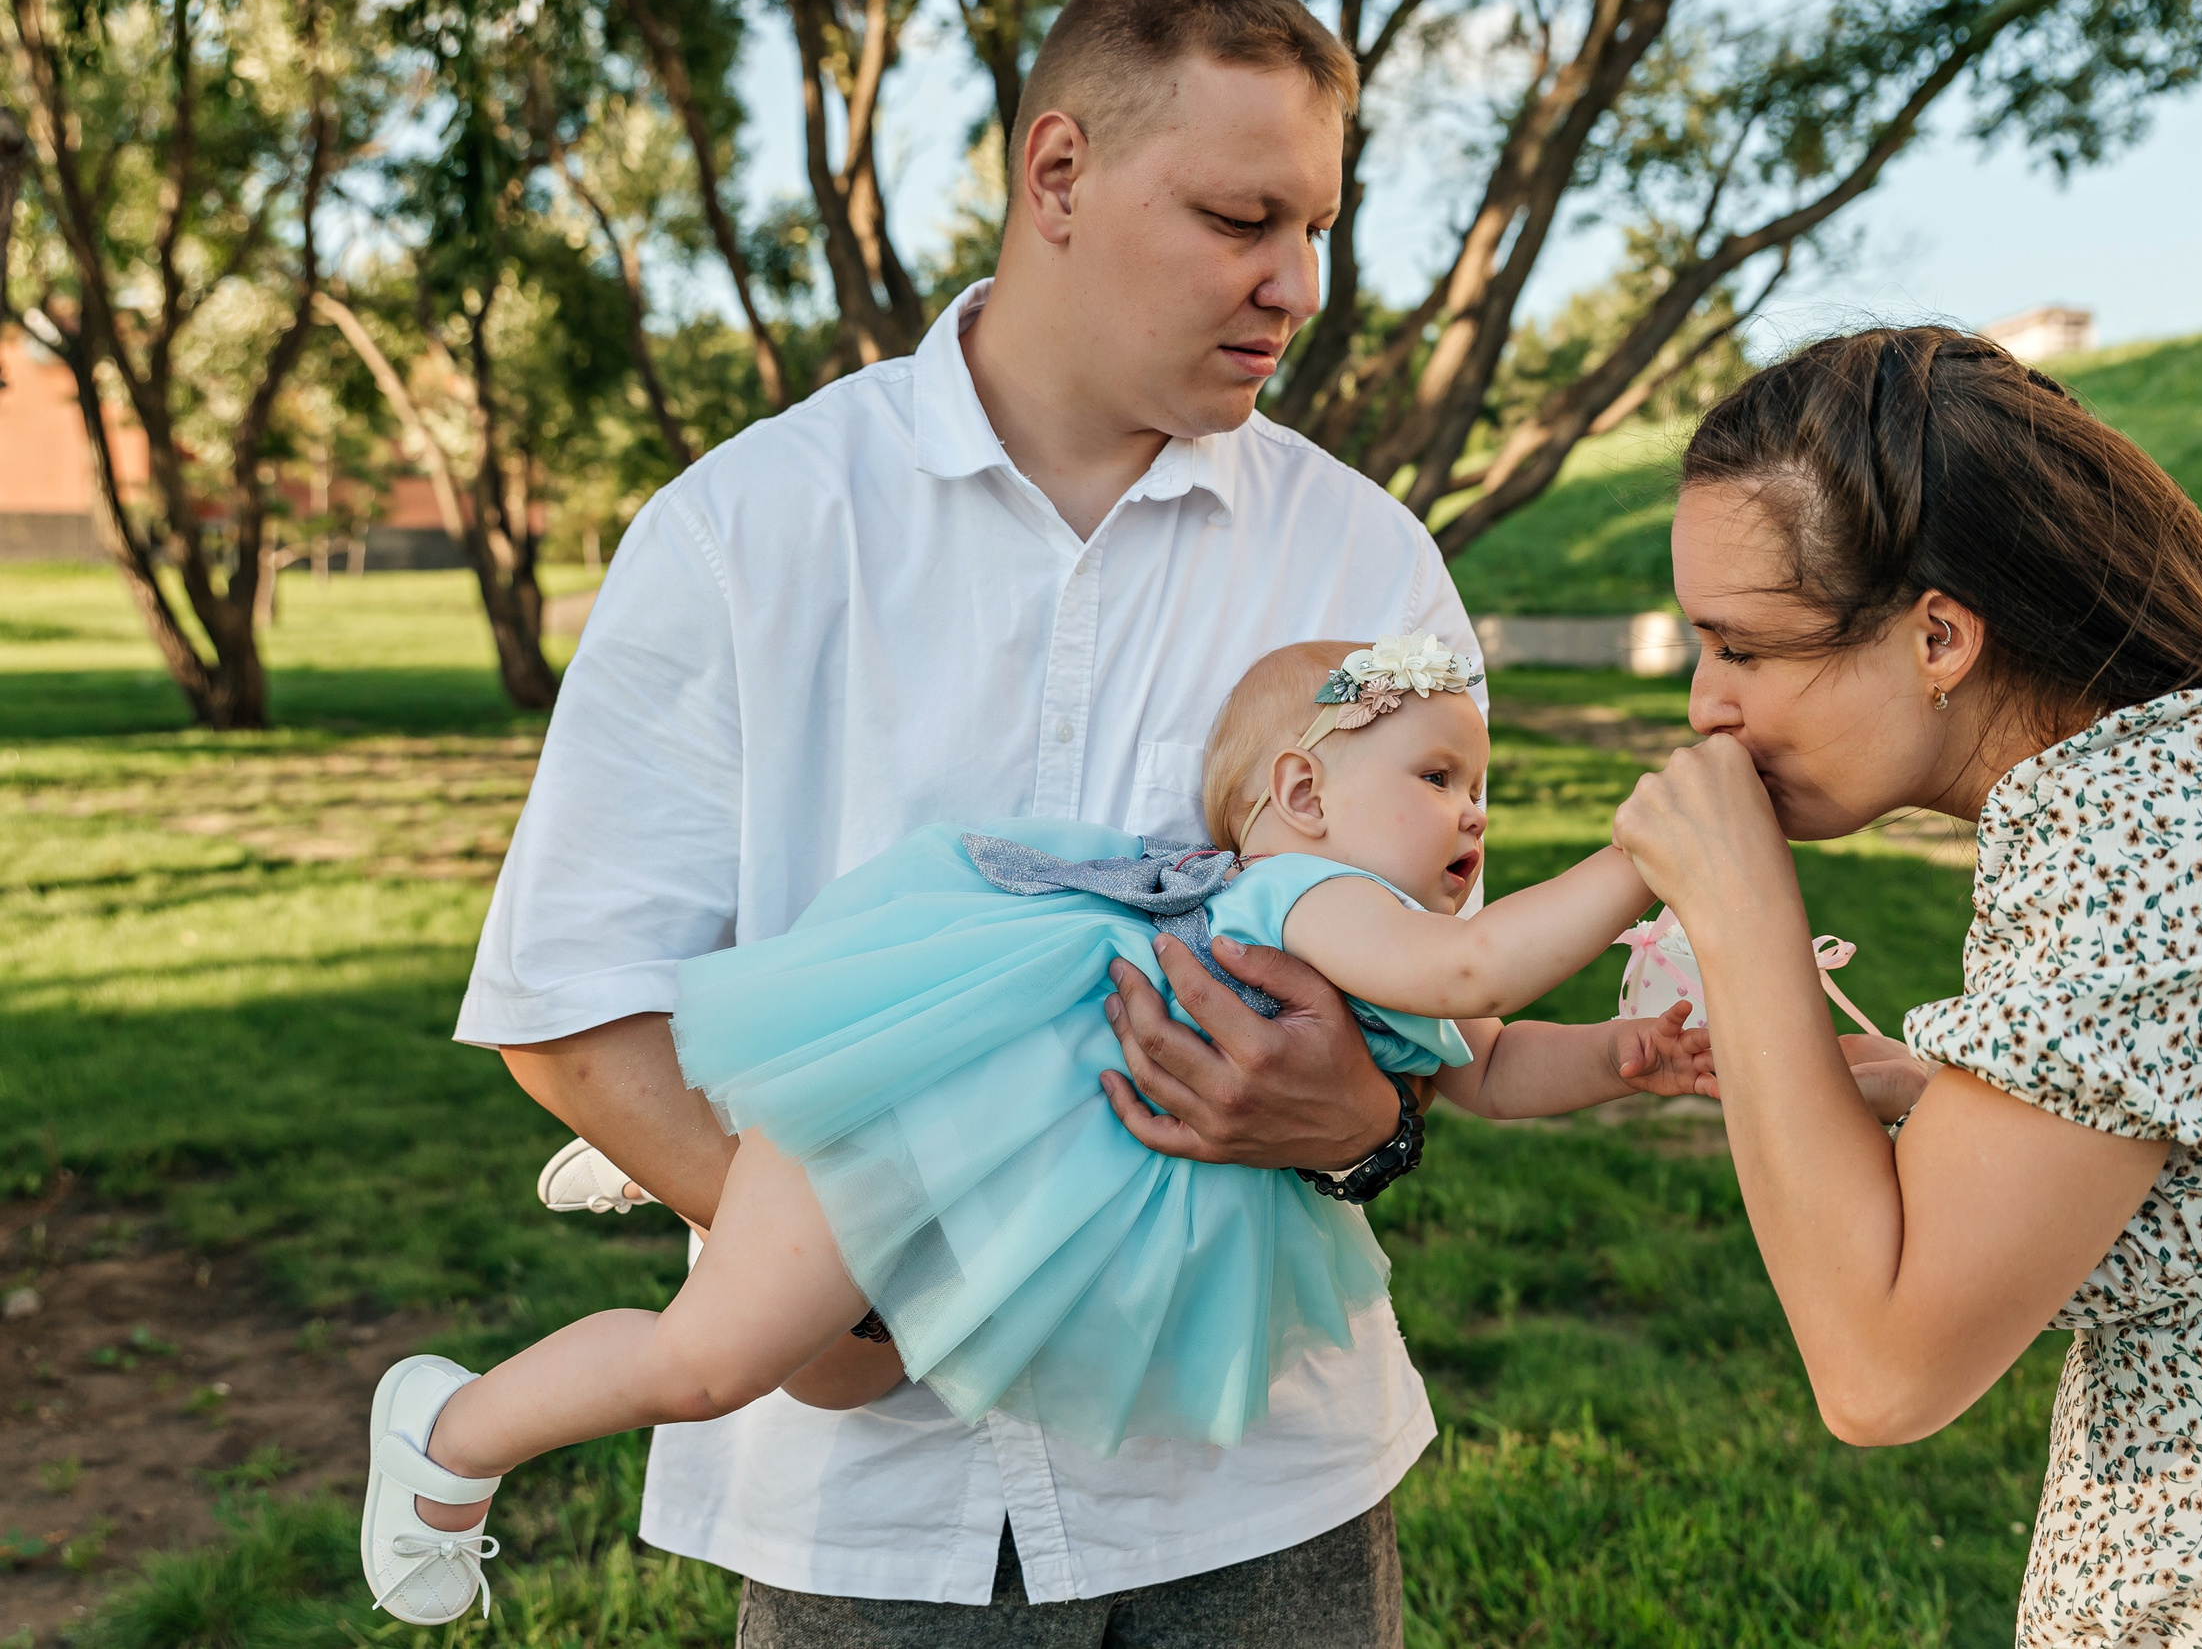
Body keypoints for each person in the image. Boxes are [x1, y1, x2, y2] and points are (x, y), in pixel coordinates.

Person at [453, 0, 1482, 1643]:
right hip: (873, 1514)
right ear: (1056, 172)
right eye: (1242, 219)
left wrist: (1370, 1133)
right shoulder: (747, 530)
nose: (1295, 284)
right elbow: (573, 1011)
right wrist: (864, 1291)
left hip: (1260, 1481)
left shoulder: (1368, 565)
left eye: (1316, 229)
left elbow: (1440, 980)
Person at [367, 637, 1721, 1625]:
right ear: (1303, 794)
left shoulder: (1393, 947)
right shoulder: (1304, 895)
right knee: (710, 1364)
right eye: (1442, 776)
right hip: (909, 1139)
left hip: (972, 1182)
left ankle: (739, 1140)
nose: (1476, 812)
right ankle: (453, 1432)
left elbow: (1485, 1064)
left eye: (1480, 785)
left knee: (758, 1337)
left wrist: (1621, 1057)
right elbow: (1479, 981)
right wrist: (1649, 860)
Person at [1609, 326, 2202, 1644]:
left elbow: (1880, 1373)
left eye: (1745, 650)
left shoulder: (2155, 828)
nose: (1706, 706)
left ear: (1938, 633)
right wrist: (1939, 1099)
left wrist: (1740, 915)